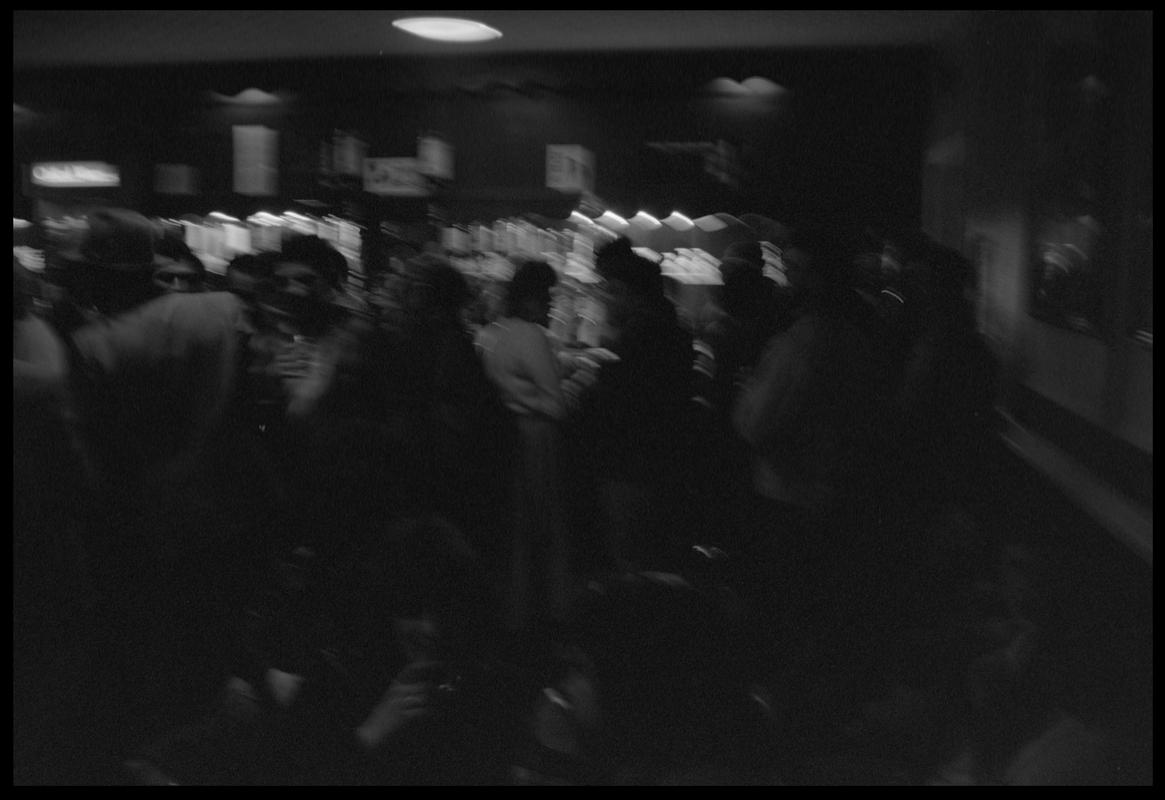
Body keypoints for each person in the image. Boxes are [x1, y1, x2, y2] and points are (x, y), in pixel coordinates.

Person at [58, 208, 276, 747]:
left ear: (100, 275)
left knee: (146, 661)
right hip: (222, 515)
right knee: (212, 651)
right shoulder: (221, 313)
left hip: (139, 526)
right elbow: (262, 408)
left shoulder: (94, 346)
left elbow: (91, 458)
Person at [569, 237, 697, 573]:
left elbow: (625, 400)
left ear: (627, 293)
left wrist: (587, 389)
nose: (604, 299)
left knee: (631, 556)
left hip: (633, 462)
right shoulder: (669, 326)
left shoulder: (643, 334)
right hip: (662, 461)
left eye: (609, 291)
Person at [475, 259, 571, 631]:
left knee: (516, 526)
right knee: (542, 524)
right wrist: (532, 402)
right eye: (546, 297)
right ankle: (546, 613)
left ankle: (515, 611)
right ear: (530, 299)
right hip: (536, 437)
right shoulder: (531, 336)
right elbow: (556, 404)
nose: (550, 305)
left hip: (506, 435)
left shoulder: (493, 333)